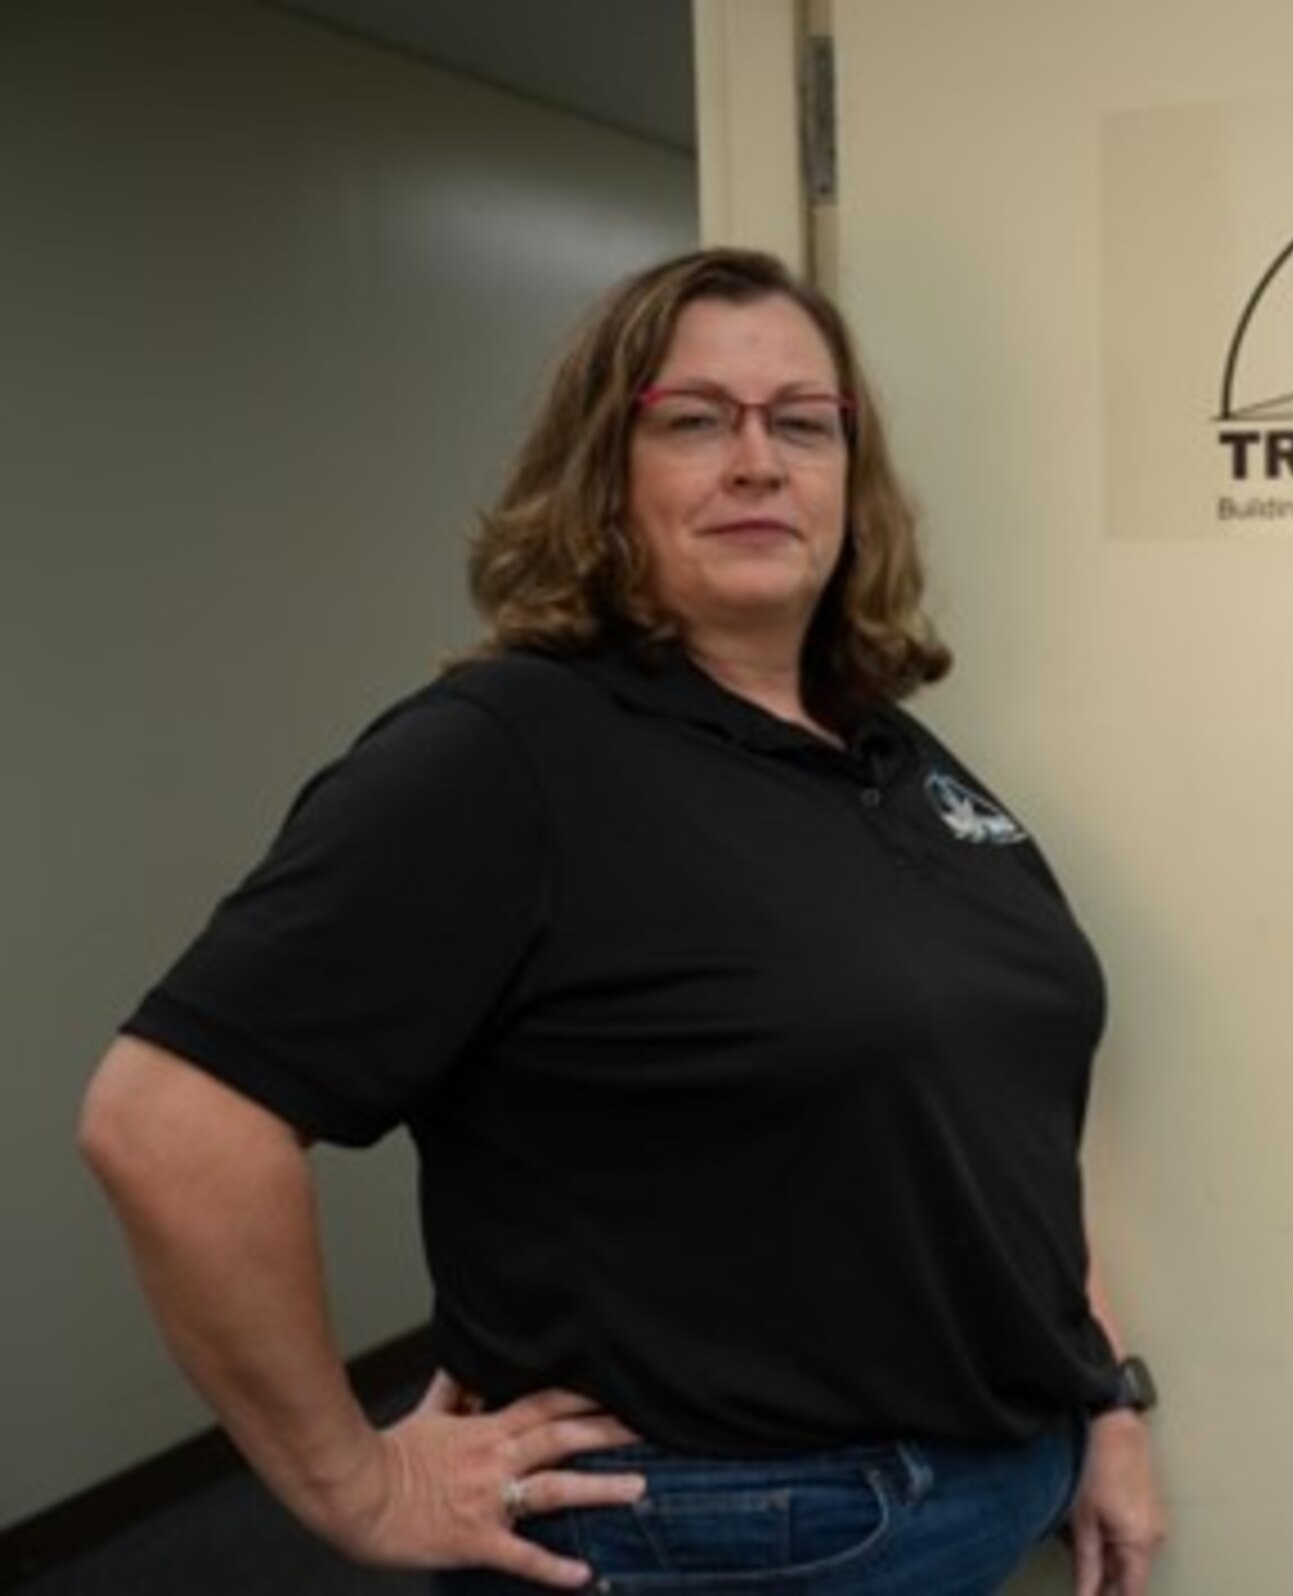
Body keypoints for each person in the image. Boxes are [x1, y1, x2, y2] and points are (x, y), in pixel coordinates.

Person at [78, 246, 1166, 1594]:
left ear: (851, 476)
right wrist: (349, 1485)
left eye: (803, 423)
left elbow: (995, 1123)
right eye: (696, 419)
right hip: (714, 1539)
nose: (759, 461)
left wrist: (1101, 1400)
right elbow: (166, 1121)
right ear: (605, 468)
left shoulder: (889, 751)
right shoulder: (505, 752)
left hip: (988, 1489)